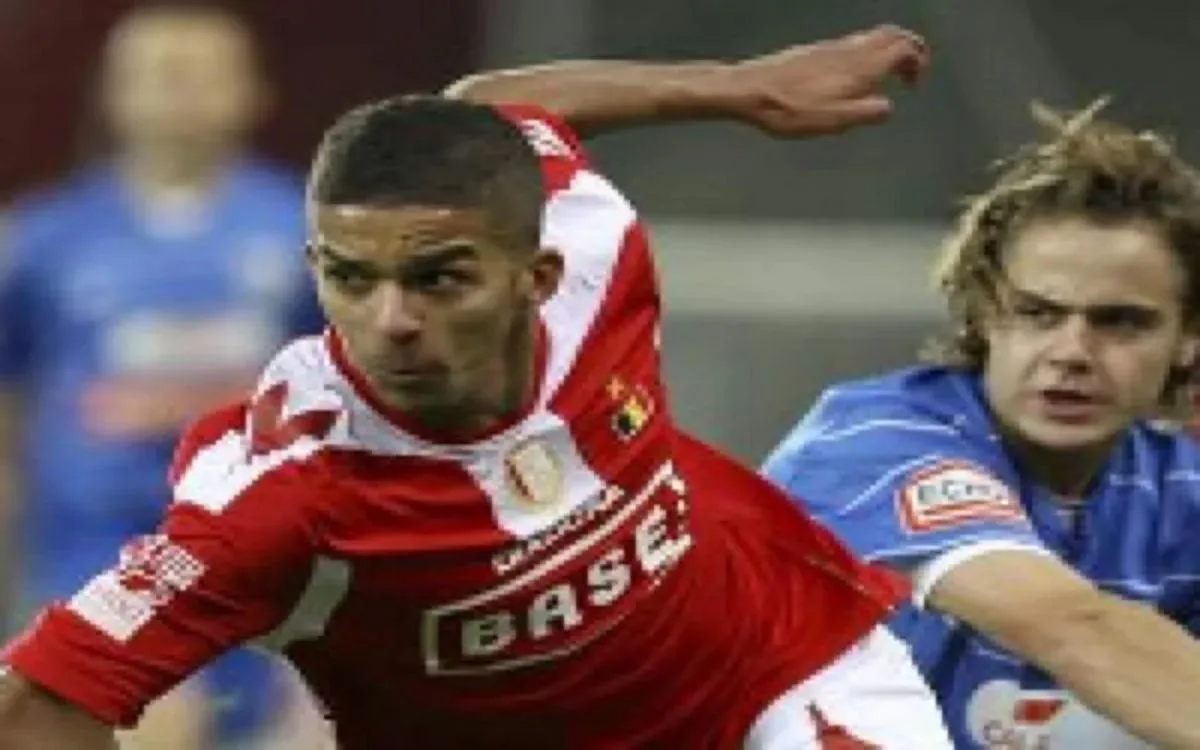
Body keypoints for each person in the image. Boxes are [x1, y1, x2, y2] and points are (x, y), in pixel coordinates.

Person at [0, 25, 953, 749]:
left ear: (535, 277)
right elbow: (40, 699)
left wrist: (738, 87)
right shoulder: (279, 498)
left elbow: (491, 103)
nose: (391, 320)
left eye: (438, 279)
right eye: (350, 278)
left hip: (784, 672)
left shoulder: (594, 252)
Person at [762, 101, 1200, 749]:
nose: (1072, 352)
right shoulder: (870, 444)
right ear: (984, 313)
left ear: (1188, 337)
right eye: (1038, 313)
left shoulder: (1180, 486)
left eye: (1120, 322)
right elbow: (1070, 625)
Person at [0, 3, 323, 748]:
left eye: (203, 74)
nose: (181, 93)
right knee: (140, 720)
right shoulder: (44, 237)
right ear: (113, 94)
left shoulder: (303, 227)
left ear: (254, 91)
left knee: (243, 726)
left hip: (249, 541)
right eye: (158, 74)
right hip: (96, 538)